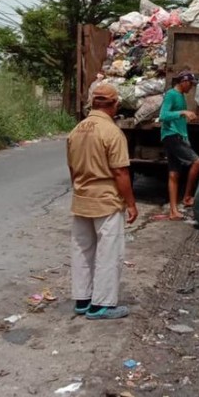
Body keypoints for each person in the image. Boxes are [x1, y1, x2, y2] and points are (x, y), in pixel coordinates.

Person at [66, 83, 138, 320]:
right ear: (114, 105)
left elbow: (72, 169)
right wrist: (131, 203)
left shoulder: (76, 131)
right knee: (108, 252)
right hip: (106, 200)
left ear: (93, 103)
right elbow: (121, 173)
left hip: (81, 198)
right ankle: (101, 305)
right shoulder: (112, 133)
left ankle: (82, 299)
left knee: (82, 251)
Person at [159, 70, 199, 220]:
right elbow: (163, 116)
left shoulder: (181, 96)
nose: (191, 87)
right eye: (190, 84)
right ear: (183, 82)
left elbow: (179, 119)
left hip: (177, 136)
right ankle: (187, 196)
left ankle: (173, 212)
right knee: (196, 162)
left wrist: (185, 134)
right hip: (171, 136)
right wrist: (183, 112)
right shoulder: (171, 94)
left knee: (174, 174)